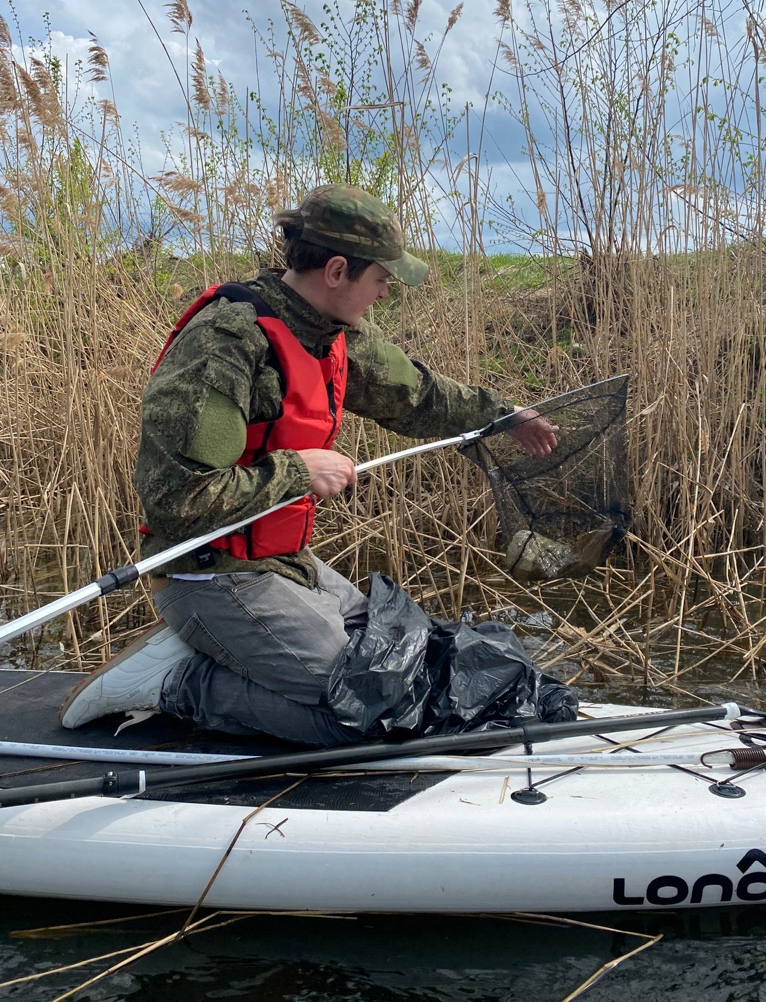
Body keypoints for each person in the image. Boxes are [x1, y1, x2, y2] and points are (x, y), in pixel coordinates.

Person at [58, 184, 558, 745]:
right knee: (360, 718)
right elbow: (178, 502)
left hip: (283, 563)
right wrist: (297, 472)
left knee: (403, 674)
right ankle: (175, 682)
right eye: (382, 278)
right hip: (210, 574)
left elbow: (416, 395)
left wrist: (505, 416)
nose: (387, 292)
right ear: (338, 270)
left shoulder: (327, 331)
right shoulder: (226, 343)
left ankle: (216, 654)